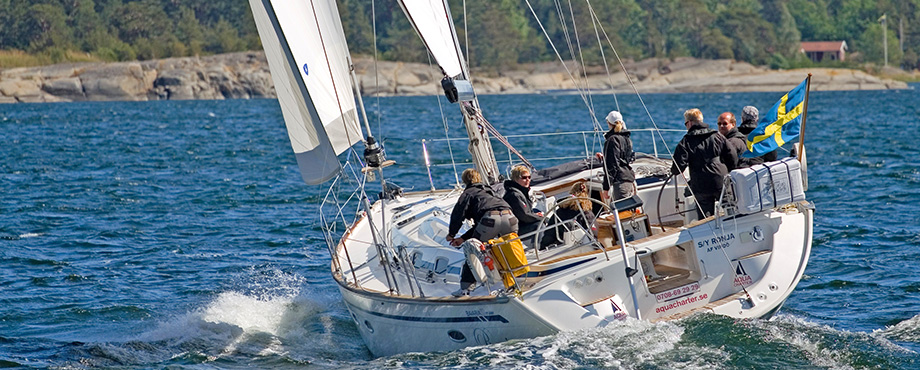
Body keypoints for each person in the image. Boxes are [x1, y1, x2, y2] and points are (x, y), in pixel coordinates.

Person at [447, 168, 518, 296]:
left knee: (471, 249)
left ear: (464, 181)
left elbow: (458, 215)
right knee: (509, 248)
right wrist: (462, 238)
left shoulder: (468, 193)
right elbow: (481, 224)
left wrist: (451, 234)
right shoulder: (490, 191)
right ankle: (516, 278)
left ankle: (465, 288)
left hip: (490, 220)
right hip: (510, 217)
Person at [671, 108, 737, 218]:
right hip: (720, 178)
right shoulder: (717, 135)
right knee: (730, 211)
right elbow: (732, 155)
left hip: (701, 183)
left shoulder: (685, 141)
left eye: (686, 123)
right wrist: (728, 169)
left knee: (705, 218)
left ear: (690, 123)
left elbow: (678, 167)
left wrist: (673, 171)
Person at [599, 110, 636, 203]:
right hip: (629, 179)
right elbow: (624, 158)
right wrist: (605, 156)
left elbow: (612, 166)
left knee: (623, 213)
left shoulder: (612, 140)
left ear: (609, 123)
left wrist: (606, 188)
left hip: (621, 182)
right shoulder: (626, 138)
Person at [502, 165, 544, 246]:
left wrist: (535, 215)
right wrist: (542, 218)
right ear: (516, 179)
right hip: (516, 229)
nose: (527, 180)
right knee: (539, 223)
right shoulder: (514, 195)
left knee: (537, 212)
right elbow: (524, 216)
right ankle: (541, 246)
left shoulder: (519, 191)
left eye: (529, 177)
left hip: (520, 222)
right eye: (524, 178)